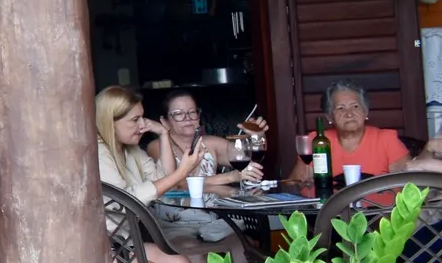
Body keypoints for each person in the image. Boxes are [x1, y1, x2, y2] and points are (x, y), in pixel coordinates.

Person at [94, 86, 200, 263]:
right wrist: (181, 173)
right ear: (110, 122)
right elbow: (123, 201)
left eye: (142, 117)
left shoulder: (130, 150)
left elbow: (165, 181)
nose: (143, 125)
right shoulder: (99, 153)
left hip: (125, 244)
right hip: (100, 249)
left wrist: (163, 133)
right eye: (135, 120)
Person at [287, 81, 416, 180]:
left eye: (355, 106)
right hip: (327, 208)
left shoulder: (386, 140)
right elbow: (295, 186)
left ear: (365, 112)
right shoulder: (318, 142)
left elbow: (411, 184)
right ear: (329, 117)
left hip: (379, 208)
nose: (349, 114)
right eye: (340, 108)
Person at [146, 89, 263, 191]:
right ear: (165, 121)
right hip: (175, 209)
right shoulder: (157, 146)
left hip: (214, 208)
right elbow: (175, 184)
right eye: (178, 114)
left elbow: (249, 160)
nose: (187, 118)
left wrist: (257, 137)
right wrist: (231, 177)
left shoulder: (210, 143)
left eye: (192, 112)